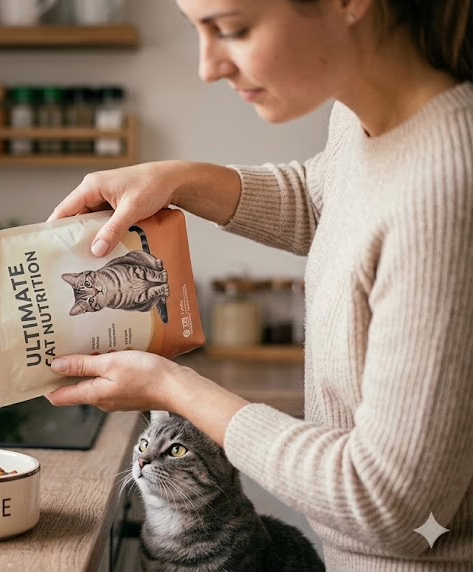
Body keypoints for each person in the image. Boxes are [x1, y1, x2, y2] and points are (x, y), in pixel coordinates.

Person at [45, 0, 473, 569]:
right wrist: (176, 179)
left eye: (232, 29)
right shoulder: (361, 117)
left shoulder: (448, 187)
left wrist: (175, 390)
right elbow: (326, 200)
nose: (207, 66)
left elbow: (390, 503)